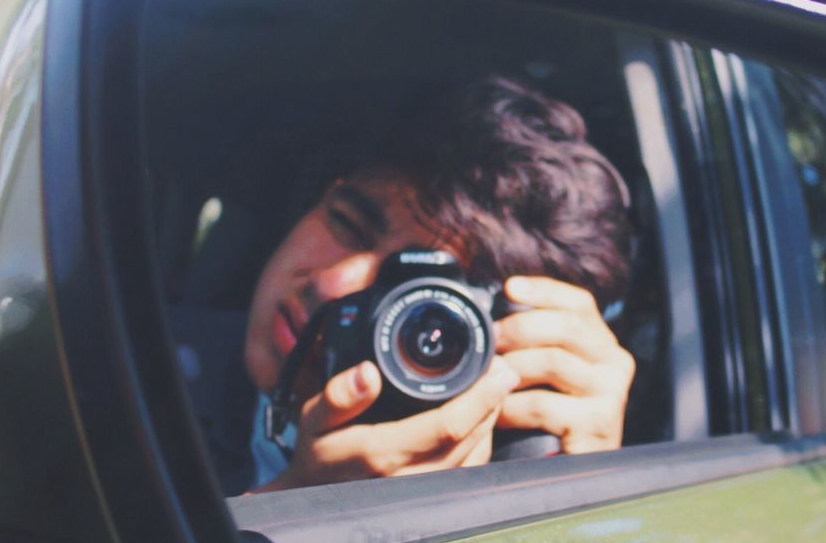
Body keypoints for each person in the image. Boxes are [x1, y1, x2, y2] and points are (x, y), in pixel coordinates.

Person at [230, 75, 635, 492]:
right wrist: (296, 497)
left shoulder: (492, 472)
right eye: (347, 223)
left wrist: (567, 492)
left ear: (509, 353)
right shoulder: (167, 374)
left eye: (426, 313)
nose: (334, 284)